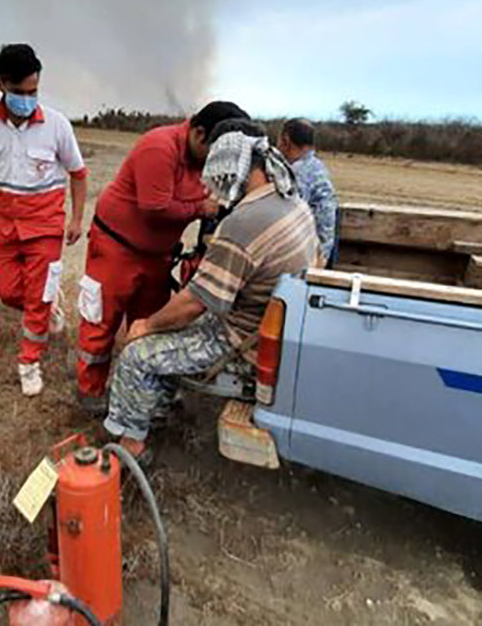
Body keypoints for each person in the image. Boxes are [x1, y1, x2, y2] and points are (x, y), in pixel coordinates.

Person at [101, 119, 319, 460]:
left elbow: (194, 303)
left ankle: (130, 448)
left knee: (135, 354)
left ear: (233, 162)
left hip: (241, 339)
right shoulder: (290, 199)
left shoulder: (246, 219)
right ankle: (157, 410)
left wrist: (144, 326)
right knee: (170, 331)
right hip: (267, 326)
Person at [75, 101, 250, 411]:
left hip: (157, 255)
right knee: (102, 321)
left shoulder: (204, 162)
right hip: (117, 247)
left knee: (151, 324)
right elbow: (154, 208)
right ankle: (90, 392)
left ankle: (143, 392)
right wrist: (201, 208)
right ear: (199, 134)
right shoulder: (159, 148)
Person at [0, 43, 88, 397]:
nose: (27, 99)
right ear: (0, 84)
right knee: (10, 292)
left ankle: (29, 361)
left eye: (34, 91)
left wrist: (76, 219)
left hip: (46, 224)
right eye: (19, 92)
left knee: (37, 296)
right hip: (4, 221)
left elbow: (78, 173)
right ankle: (47, 307)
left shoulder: (57, 125)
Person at [278, 118, 338, 266]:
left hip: (308, 257)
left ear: (285, 141)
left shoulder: (297, 173)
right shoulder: (317, 167)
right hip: (322, 250)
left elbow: (288, 214)